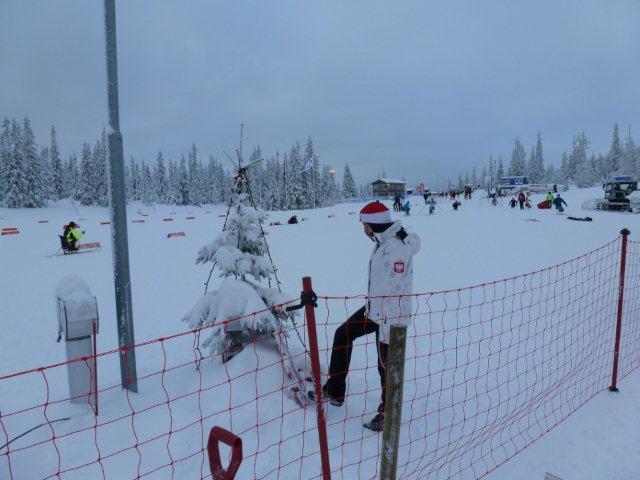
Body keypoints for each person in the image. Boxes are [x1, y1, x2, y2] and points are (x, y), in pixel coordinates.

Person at [322, 200, 421, 432]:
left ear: (374, 225)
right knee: (343, 333)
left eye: (364, 225)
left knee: (385, 365)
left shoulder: (394, 248)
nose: (363, 230)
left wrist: (386, 331)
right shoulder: (383, 241)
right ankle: (335, 391)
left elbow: (394, 292)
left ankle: (387, 414)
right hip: (375, 310)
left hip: (391, 318)